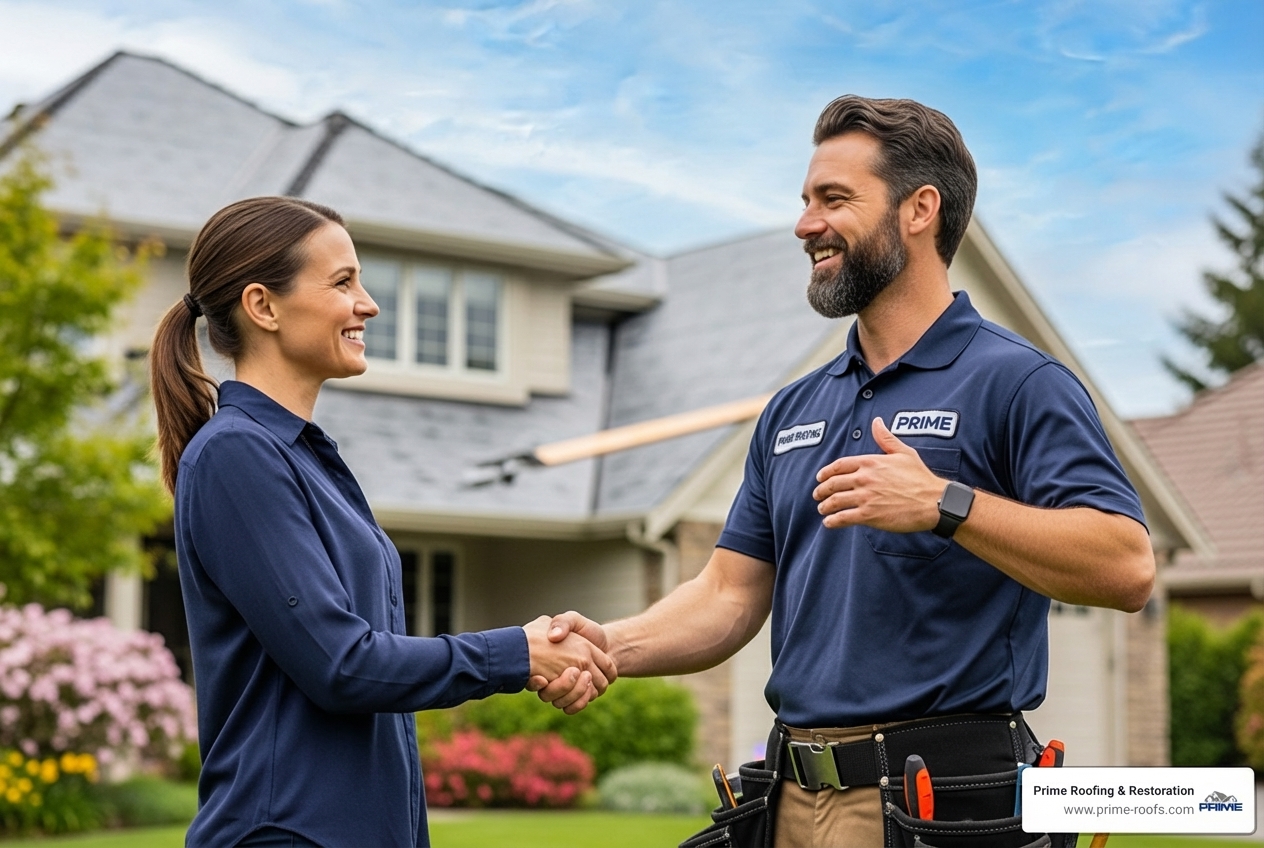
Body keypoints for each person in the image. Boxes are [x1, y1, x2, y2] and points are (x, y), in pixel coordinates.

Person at [535, 96, 1155, 847]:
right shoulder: (795, 407)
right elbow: (729, 593)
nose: (805, 224)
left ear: (920, 209)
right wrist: (610, 646)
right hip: (789, 802)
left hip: (938, 807)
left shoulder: (1017, 383)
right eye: (804, 201)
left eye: (834, 199)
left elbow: (1126, 565)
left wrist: (944, 504)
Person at [149, 196, 615, 848]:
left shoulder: (304, 457)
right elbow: (340, 664)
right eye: (342, 282)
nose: (367, 303)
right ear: (264, 306)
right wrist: (517, 652)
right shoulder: (237, 455)